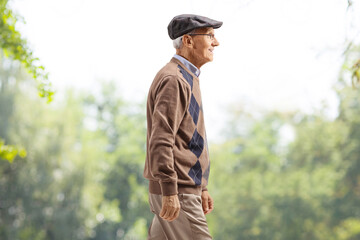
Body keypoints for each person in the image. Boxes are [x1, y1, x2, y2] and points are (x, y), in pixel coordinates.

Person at [143, 14, 222, 239]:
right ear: (187, 41)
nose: (216, 43)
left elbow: (187, 138)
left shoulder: (187, 77)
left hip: (184, 190)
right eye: (209, 36)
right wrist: (170, 190)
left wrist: (202, 188)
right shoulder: (174, 79)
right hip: (178, 191)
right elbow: (161, 139)